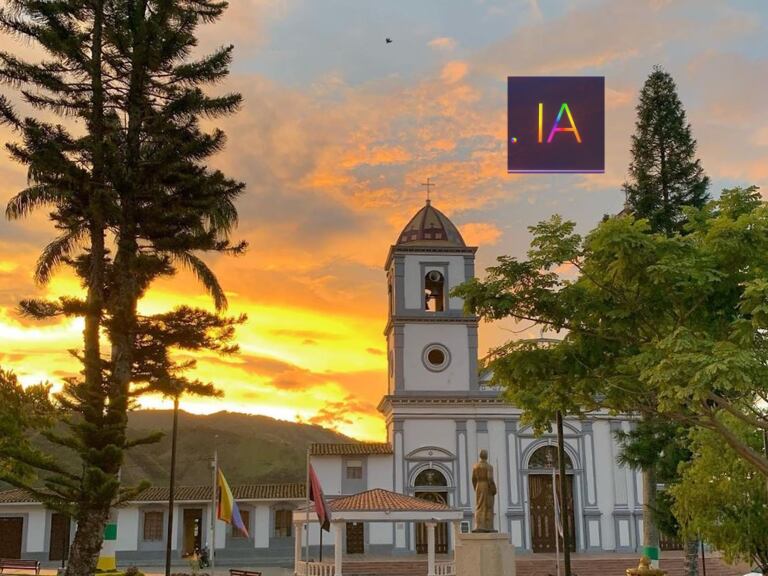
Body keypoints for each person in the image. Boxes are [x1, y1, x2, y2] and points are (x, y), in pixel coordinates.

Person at [471, 449, 497, 532]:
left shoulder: (475, 466)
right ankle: (488, 526)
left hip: (479, 486)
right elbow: (490, 478)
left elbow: (473, 479)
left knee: (479, 505)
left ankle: (479, 525)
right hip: (486, 486)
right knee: (488, 505)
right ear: (486, 456)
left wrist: (476, 488)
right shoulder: (489, 466)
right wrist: (493, 489)